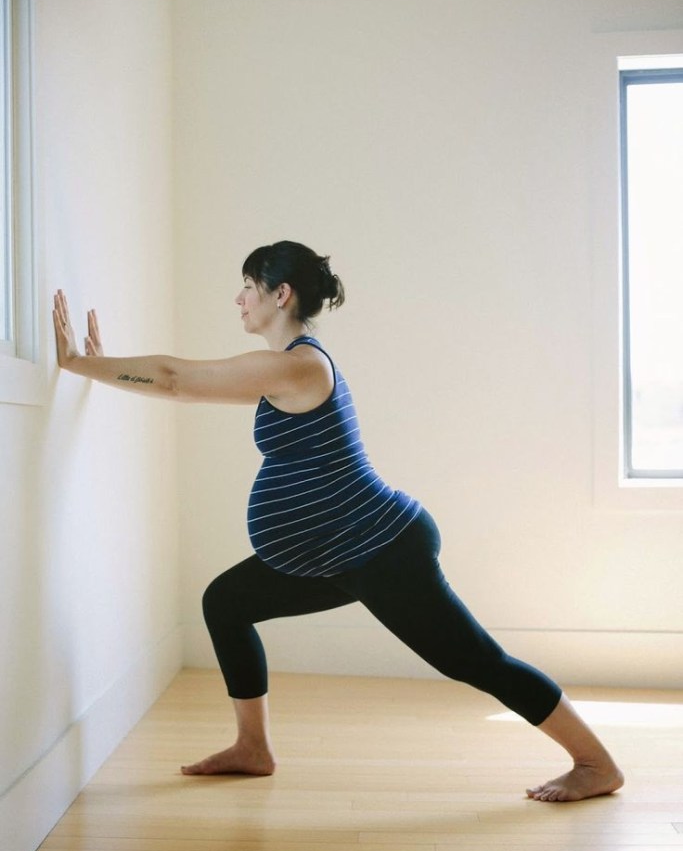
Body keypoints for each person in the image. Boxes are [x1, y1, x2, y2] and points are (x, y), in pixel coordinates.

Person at [53, 240, 624, 802]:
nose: (239, 299)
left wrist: (81, 363)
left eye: (248, 287)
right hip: (334, 553)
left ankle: (596, 764)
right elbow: (185, 390)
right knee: (226, 603)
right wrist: (101, 370)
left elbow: (177, 378)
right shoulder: (283, 371)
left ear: (280, 294)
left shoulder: (301, 368)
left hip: (382, 548)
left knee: (475, 662)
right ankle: (252, 748)